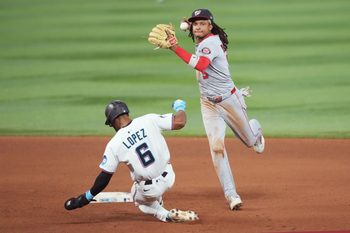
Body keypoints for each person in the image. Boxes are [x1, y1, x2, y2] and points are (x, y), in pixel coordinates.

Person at [166, 9, 265, 210]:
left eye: (202, 23)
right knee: (216, 148)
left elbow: (201, 65)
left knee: (249, 141)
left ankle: (256, 131)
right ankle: (231, 195)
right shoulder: (204, 42)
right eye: (195, 24)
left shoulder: (210, 43)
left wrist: (176, 47)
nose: (198, 26)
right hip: (208, 104)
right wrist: (189, 29)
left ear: (210, 26)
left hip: (229, 100)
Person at [64, 99, 199, 223]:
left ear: (113, 120)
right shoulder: (149, 119)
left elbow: (104, 178)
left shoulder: (114, 144)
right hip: (170, 176)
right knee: (153, 173)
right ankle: (158, 199)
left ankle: (166, 215)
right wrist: (180, 107)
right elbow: (180, 122)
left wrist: (85, 198)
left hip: (149, 189)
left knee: (138, 200)